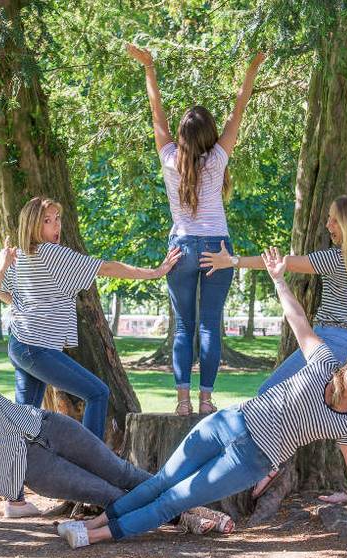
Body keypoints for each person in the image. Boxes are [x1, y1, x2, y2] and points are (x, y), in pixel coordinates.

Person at [0, 244, 222, 547]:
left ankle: (192, 508)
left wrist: (1, 269)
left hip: (48, 427)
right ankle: (183, 516)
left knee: (125, 473)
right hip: (31, 468)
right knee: (107, 494)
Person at [58, 247, 347, 549]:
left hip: (251, 458)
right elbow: (298, 319)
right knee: (162, 481)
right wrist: (279, 279)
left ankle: (96, 536)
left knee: (174, 500)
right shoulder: (324, 361)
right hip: (227, 422)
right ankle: (91, 523)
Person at [0, 196, 180, 517]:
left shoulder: (21, 256)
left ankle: (14, 500)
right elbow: (105, 267)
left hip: (21, 344)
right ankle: (92, 469)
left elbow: (2, 289)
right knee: (97, 392)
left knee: (24, 420)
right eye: (48, 220)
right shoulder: (51, 253)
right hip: (35, 348)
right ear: (32, 224)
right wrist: (155, 272)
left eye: (57, 219)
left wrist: (26, 305)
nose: (56, 226)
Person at [201, 193, 347, 502]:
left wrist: (230, 261)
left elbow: (279, 264)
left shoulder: (337, 258)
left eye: (334, 220)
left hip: (332, 340)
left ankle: (269, 463)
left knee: (268, 394)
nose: (327, 224)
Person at [126, 43, 266, 416]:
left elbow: (157, 114)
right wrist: (250, 70)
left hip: (183, 248)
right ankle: (206, 400)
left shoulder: (169, 159)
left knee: (184, 327)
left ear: (183, 137)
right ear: (209, 135)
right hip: (217, 247)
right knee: (209, 327)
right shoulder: (218, 159)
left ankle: (183, 401)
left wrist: (149, 68)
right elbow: (240, 108)